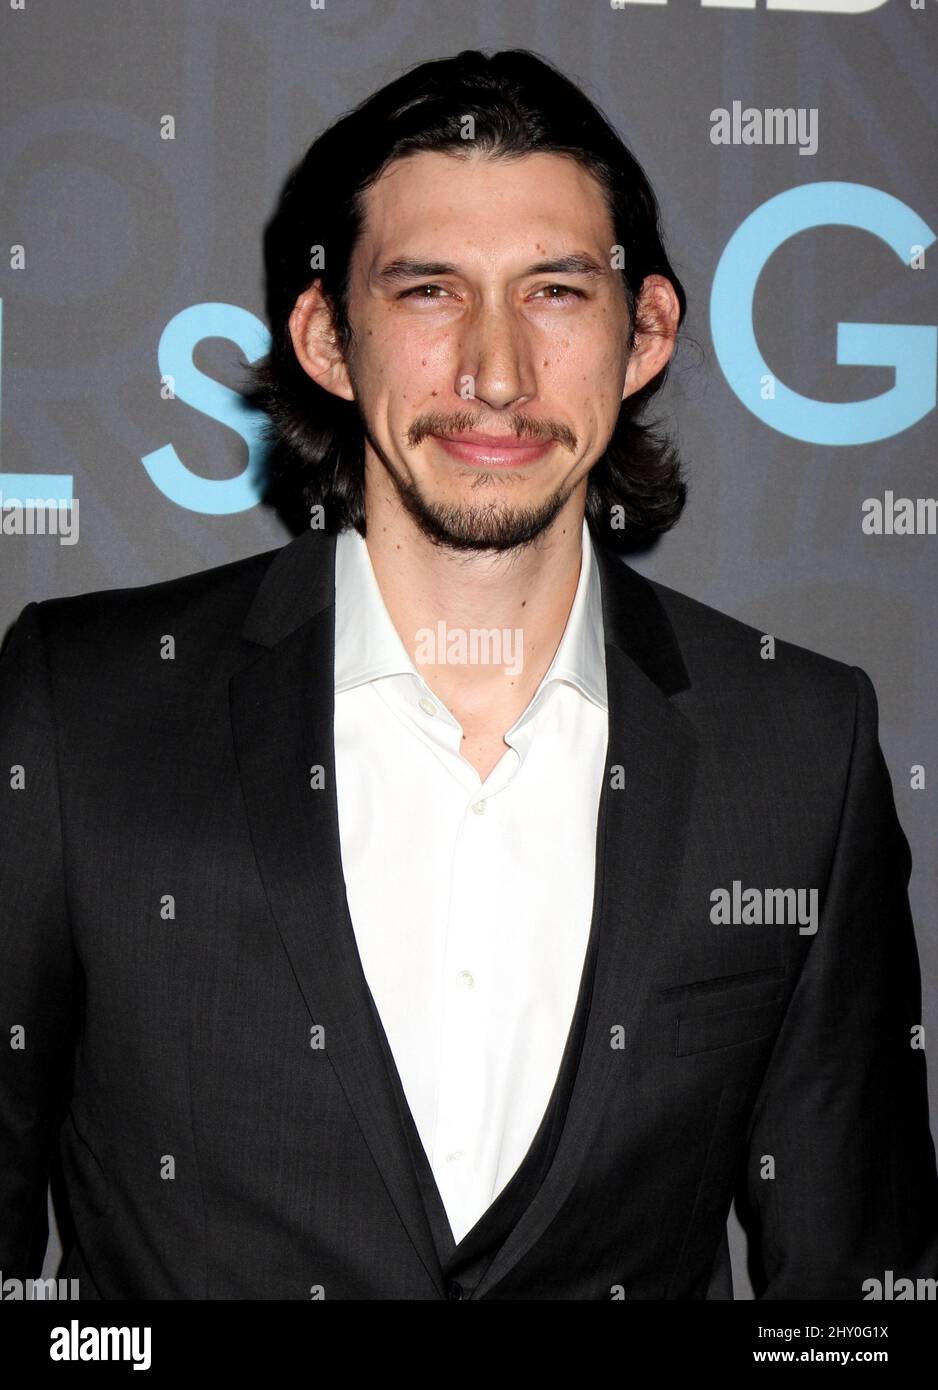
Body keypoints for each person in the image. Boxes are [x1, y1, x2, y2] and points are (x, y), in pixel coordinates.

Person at [1, 48, 936, 1301]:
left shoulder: (796, 742)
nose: (493, 374)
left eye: (554, 292)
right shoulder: (82, 710)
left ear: (642, 333)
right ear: (330, 339)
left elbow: (846, 1293)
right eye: (429, 290)